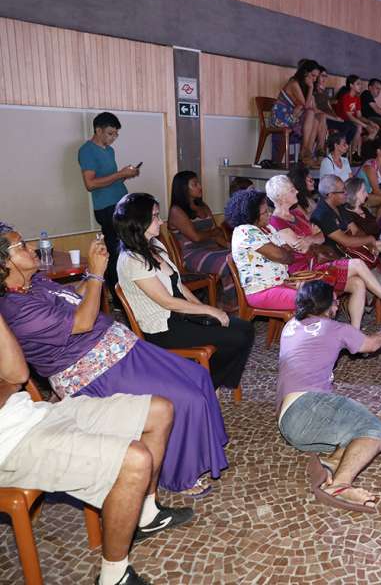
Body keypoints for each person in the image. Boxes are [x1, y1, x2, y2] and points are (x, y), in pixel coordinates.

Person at [0, 223, 228, 498]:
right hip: (92, 371)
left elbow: (75, 298)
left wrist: (88, 277)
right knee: (185, 397)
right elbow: (82, 322)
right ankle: (179, 474)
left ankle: (205, 451)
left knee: (198, 376)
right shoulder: (15, 309)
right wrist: (97, 275)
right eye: (21, 245)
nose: (32, 248)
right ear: (4, 262)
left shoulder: (34, 282)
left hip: (120, 349)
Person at [0, 313, 191, 585]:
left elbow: (17, 375)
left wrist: (7, 384)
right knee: (135, 460)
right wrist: (6, 385)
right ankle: (114, 577)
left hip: (38, 413)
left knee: (160, 410)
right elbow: (9, 381)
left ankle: (146, 515)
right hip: (10, 445)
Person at [277, 280, 381, 512]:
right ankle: (340, 486)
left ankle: (329, 463)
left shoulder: (290, 325)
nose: (337, 306)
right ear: (330, 306)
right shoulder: (336, 328)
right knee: (376, 432)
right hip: (308, 406)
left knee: (353, 433)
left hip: (288, 422)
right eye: (335, 302)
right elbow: (372, 345)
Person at [115, 193, 255, 392]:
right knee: (237, 336)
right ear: (139, 222)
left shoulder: (154, 245)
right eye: (155, 216)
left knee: (245, 329)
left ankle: (209, 381)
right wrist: (211, 311)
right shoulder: (132, 260)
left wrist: (203, 308)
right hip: (165, 328)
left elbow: (179, 287)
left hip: (181, 316)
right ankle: (205, 384)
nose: (160, 220)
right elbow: (167, 302)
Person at [269, 175, 381, 327]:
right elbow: (301, 248)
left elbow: (320, 237)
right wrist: (312, 237)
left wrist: (310, 238)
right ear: (281, 197)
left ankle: (355, 332)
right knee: (358, 263)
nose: (296, 191)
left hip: (319, 263)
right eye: (291, 190)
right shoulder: (276, 221)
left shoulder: (297, 214)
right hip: (304, 271)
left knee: (358, 283)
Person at [79, 112, 140, 303]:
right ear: (98, 130)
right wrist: (119, 174)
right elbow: (91, 184)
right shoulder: (87, 150)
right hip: (106, 208)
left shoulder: (109, 150)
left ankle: (131, 294)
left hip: (120, 204)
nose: (113, 138)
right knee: (115, 254)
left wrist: (126, 175)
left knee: (127, 251)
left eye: (115, 135)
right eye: (110, 134)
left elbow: (110, 179)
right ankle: (118, 299)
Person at [226, 188, 299, 310]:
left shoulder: (268, 228)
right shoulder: (245, 231)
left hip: (279, 284)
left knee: (323, 292)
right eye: (265, 212)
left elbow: (289, 256)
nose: (269, 214)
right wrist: (283, 253)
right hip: (262, 291)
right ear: (252, 216)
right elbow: (283, 256)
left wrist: (283, 253)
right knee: (313, 299)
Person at [168, 170, 234, 304]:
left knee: (240, 257)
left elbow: (218, 233)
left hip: (212, 249)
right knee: (229, 263)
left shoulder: (203, 207)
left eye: (198, 183)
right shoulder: (176, 211)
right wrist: (213, 233)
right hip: (192, 254)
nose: (200, 187)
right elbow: (196, 237)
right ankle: (231, 303)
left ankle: (243, 301)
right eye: (195, 184)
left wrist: (229, 246)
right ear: (184, 189)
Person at [270, 59, 325, 165]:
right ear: (305, 73)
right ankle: (304, 153)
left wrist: (310, 88)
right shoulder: (294, 83)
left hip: (293, 115)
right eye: (313, 76)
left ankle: (308, 153)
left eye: (316, 77)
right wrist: (311, 87)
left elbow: (307, 106)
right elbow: (306, 106)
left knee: (318, 118)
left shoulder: (304, 85)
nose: (314, 79)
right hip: (281, 118)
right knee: (311, 114)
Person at [335, 74, 379, 158]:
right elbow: (350, 117)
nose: (361, 86)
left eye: (361, 84)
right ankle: (353, 152)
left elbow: (359, 116)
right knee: (359, 127)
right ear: (351, 85)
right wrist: (365, 126)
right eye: (358, 84)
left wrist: (370, 122)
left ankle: (365, 151)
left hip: (351, 121)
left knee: (375, 127)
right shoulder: (346, 97)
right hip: (342, 120)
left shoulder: (357, 98)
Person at [355, 135, 381, 217]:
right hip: (362, 196)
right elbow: (376, 190)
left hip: (375, 194)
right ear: (378, 151)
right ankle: (379, 223)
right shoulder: (370, 166)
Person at [314, 66, 356, 145]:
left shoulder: (323, 92)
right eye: (322, 76)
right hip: (323, 119)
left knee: (353, 126)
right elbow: (316, 110)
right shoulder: (313, 91)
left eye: (326, 76)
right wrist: (335, 118)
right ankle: (336, 147)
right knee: (347, 126)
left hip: (331, 118)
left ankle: (343, 148)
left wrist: (337, 117)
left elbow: (329, 107)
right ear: (317, 76)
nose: (324, 78)